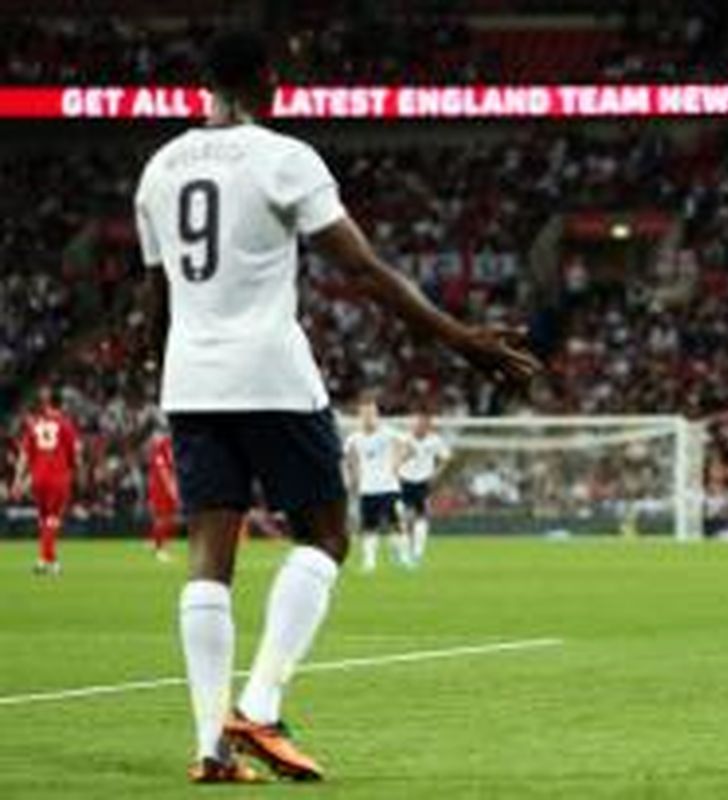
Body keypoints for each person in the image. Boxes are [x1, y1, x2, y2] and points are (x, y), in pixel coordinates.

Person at [133, 30, 540, 784]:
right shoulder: (285, 157)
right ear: (264, 81)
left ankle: (210, 750)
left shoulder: (158, 170)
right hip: (271, 376)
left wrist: (168, 383)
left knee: (208, 557)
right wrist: (461, 339)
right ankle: (258, 703)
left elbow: (156, 302)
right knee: (325, 535)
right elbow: (365, 270)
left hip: (191, 383)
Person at [11, 385, 80, 575]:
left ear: (48, 404)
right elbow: (74, 454)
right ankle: (47, 562)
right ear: (62, 406)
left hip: (38, 478)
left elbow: (24, 455)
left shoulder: (35, 425)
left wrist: (18, 480)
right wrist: (75, 471)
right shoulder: (65, 425)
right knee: (53, 520)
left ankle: (46, 559)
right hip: (58, 477)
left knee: (43, 520)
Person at [342, 391, 402, 572]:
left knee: (394, 524)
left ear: (377, 414)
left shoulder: (387, 433)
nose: (368, 417)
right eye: (365, 414)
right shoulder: (354, 438)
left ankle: (400, 557)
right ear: (360, 416)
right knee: (369, 527)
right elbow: (349, 458)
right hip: (367, 488)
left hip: (389, 487)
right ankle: (369, 562)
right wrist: (354, 478)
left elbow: (405, 446)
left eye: (371, 413)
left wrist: (396, 464)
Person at [395, 413, 451, 569]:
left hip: (423, 483)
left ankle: (417, 553)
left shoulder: (435, 441)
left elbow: (446, 458)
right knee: (403, 518)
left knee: (421, 517)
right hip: (404, 481)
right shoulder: (404, 439)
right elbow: (396, 457)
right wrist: (398, 466)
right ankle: (404, 553)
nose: (419, 427)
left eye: (423, 424)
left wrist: (436, 474)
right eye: (417, 423)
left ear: (428, 426)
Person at [146, 424, 180, 562]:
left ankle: (157, 542)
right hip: (161, 488)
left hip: (163, 486)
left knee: (166, 517)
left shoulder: (169, 445)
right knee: (164, 517)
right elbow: (163, 469)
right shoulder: (162, 447)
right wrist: (171, 486)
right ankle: (160, 549)